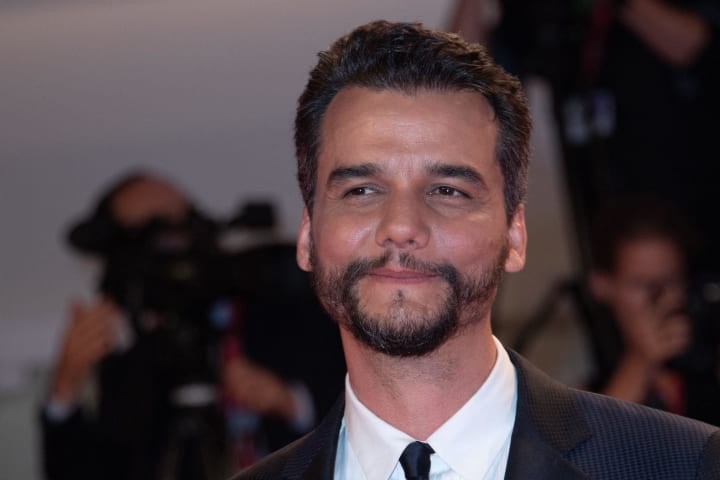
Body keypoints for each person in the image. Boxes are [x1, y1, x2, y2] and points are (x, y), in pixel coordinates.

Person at [232, 20, 720, 479]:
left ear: (515, 236)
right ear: (307, 235)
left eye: (448, 190)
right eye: (362, 190)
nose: (401, 226)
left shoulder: (685, 465)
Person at [41, 172, 345, 480]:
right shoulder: (129, 361)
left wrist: (289, 401)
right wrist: (64, 389)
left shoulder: (280, 305)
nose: (176, 240)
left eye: (182, 218)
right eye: (154, 230)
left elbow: (359, 415)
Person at [585, 197, 720, 425]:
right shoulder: (582, 392)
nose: (661, 299)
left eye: (671, 281)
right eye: (642, 285)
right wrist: (640, 362)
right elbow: (593, 439)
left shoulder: (707, 363)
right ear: (602, 285)